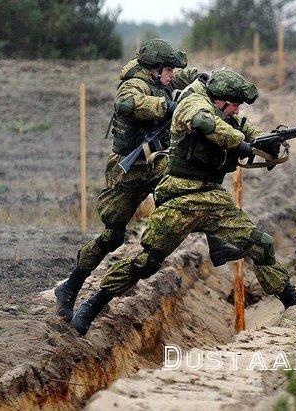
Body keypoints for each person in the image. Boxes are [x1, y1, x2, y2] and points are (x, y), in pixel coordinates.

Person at [70, 69, 296, 335]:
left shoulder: (226, 114)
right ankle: (92, 305)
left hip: (213, 197)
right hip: (181, 194)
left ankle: (295, 303)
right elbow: (206, 124)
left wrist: (267, 142)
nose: (237, 109)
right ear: (220, 100)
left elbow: (244, 129)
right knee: (147, 262)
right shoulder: (194, 104)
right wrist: (240, 143)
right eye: (235, 104)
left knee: (260, 245)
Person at [55, 39, 240, 322]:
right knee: (111, 235)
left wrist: (205, 78)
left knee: (191, 186)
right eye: (168, 70)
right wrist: (167, 106)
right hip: (128, 167)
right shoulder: (134, 83)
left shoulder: (164, 77)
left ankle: (217, 243)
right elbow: (126, 103)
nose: (171, 75)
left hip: (157, 161)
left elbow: (186, 76)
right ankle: (70, 287)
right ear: (155, 70)